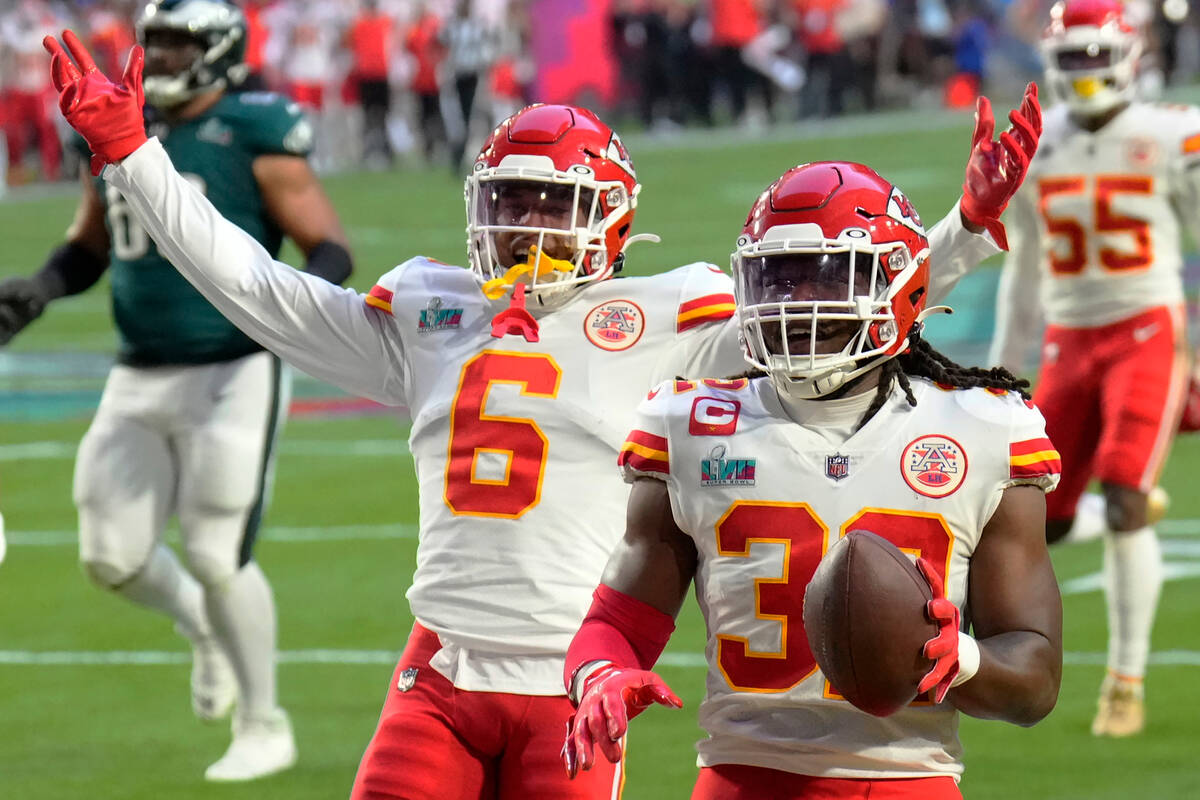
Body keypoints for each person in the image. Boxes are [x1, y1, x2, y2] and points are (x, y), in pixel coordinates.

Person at [41, 25, 1039, 798]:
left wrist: (962, 233)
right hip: (436, 666)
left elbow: (829, 307)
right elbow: (259, 288)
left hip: (571, 675)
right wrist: (135, 157)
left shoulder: (669, 316)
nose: (524, 225)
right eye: (508, 202)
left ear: (612, 217)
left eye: (549, 203)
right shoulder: (434, 310)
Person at [563, 161, 1064, 798]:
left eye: (827, 277)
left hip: (909, 776)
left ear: (900, 289)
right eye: (778, 278)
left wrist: (958, 658)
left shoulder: (983, 427)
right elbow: (619, 618)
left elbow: (1035, 679)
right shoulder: (690, 424)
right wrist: (600, 672)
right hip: (741, 772)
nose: (795, 302)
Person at [0, 0, 354, 782]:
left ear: (220, 50)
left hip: (232, 367)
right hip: (138, 367)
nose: (158, 57)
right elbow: (91, 246)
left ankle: (266, 721)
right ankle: (200, 626)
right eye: (152, 41)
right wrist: (38, 289)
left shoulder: (254, 129)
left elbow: (329, 247)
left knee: (216, 548)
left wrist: (284, 316)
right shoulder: (118, 124)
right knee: (109, 554)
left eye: (176, 43)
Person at [989, 0, 1195, 738]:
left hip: (1146, 326)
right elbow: (1023, 277)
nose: (1082, 74)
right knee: (1030, 514)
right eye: (1068, 58)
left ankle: (1125, 680)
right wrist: (999, 372)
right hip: (1068, 340)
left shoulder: (1173, 133)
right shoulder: (1037, 147)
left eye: (1091, 57)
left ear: (1129, 55)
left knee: (1126, 499)